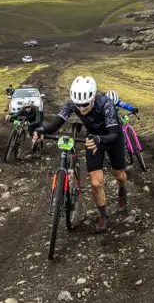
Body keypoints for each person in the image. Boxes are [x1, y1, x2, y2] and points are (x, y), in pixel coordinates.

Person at [34, 76, 127, 233]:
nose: (81, 109)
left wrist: (100, 139)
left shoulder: (106, 103)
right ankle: (104, 215)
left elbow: (114, 134)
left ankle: (122, 190)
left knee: (119, 174)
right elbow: (56, 123)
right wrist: (41, 130)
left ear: (93, 97)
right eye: (78, 105)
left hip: (111, 137)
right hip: (92, 138)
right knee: (96, 183)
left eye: (85, 105)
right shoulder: (72, 103)